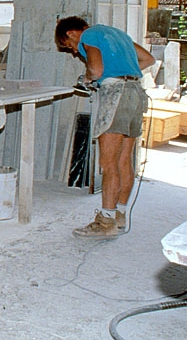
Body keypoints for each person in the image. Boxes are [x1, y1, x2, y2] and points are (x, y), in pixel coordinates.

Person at [55, 16, 155, 238]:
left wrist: (89, 79)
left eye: (68, 45)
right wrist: (120, 71)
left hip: (116, 94)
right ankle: (119, 216)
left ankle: (105, 222)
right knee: (124, 160)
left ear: (71, 33)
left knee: (108, 162)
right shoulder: (119, 34)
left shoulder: (89, 35)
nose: (73, 51)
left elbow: (96, 69)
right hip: (135, 93)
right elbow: (148, 59)